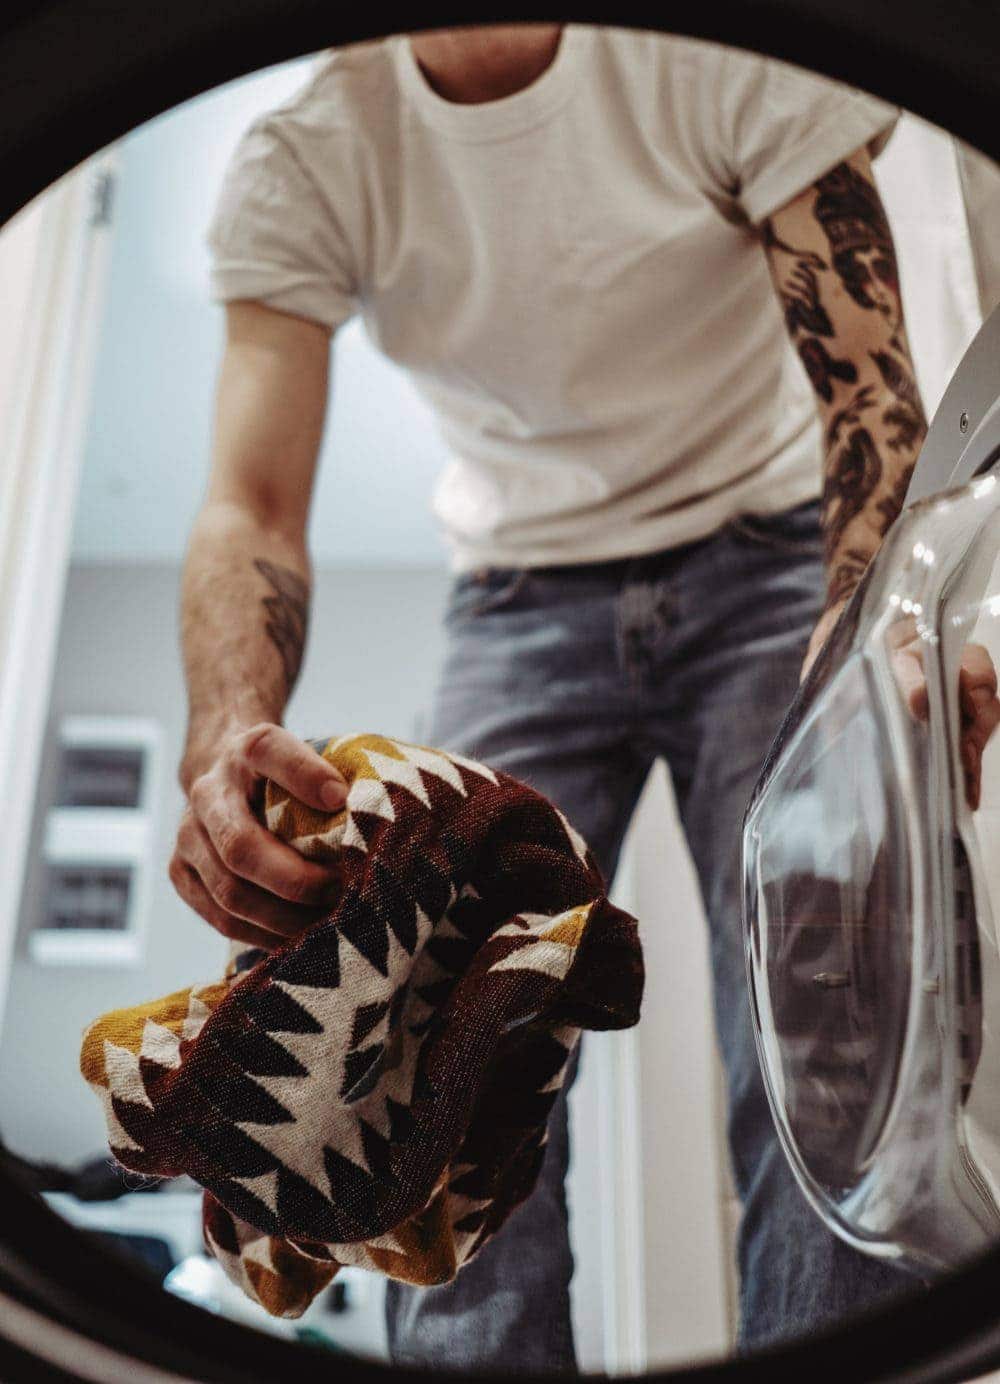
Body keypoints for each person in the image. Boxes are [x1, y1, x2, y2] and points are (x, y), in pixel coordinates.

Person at [168, 22, 992, 1370]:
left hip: (777, 554)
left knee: (837, 967)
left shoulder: (717, 54)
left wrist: (883, 630)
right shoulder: (306, 158)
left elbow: (867, 395)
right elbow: (249, 503)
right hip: (520, 593)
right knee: (426, 1031)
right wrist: (224, 727)